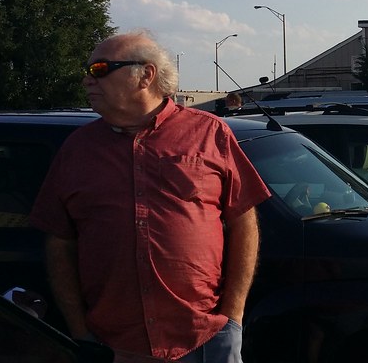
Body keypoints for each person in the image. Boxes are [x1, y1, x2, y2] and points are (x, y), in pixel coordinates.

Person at [30, 31, 271, 362]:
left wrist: (233, 317)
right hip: (112, 345)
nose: (87, 80)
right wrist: (78, 330)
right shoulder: (77, 149)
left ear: (145, 74)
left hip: (205, 340)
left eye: (99, 69)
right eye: (87, 71)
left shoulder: (211, 133)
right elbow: (59, 240)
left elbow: (244, 222)